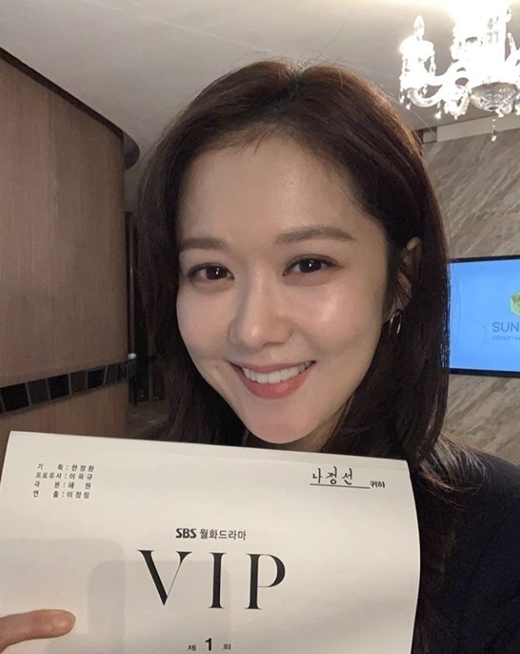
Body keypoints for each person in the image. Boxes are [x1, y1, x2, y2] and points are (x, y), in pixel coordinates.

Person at [1, 60, 519, 653]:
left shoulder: (499, 536)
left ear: (401, 279)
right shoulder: (113, 510)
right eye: (211, 271)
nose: (251, 330)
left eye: (308, 264)